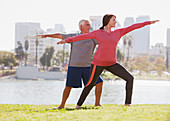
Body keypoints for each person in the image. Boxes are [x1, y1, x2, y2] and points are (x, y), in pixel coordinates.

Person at [57, 14, 159, 108]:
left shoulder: (118, 33)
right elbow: (81, 36)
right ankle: (78, 105)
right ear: (107, 21)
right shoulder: (98, 33)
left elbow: (133, 27)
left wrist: (148, 23)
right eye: (113, 20)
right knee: (90, 84)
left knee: (130, 78)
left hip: (112, 63)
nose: (115, 22)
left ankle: (127, 104)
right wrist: (66, 40)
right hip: (98, 63)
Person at [38, 20, 103, 109]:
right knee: (68, 86)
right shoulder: (73, 36)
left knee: (99, 82)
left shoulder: (93, 38)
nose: (89, 27)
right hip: (74, 67)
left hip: (87, 67)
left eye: (89, 25)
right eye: (87, 25)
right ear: (81, 27)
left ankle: (97, 104)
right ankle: (62, 105)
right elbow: (59, 35)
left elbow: (105, 39)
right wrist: (47, 35)